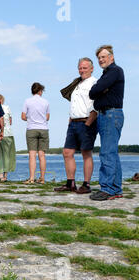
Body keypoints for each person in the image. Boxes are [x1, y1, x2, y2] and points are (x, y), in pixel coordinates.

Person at [54, 58, 98, 194]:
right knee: (67, 152)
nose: (82, 70)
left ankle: (86, 184)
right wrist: (70, 120)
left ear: (91, 68)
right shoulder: (77, 83)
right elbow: (75, 104)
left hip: (86, 122)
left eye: (85, 68)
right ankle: (70, 183)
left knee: (86, 153)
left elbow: (95, 105)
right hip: (73, 122)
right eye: (80, 68)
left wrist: (88, 123)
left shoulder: (94, 83)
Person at [89, 45, 125, 201]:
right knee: (112, 153)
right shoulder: (106, 74)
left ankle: (108, 189)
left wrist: (99, 89)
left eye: (104, 56)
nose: (101, 60)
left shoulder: (115, 71)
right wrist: (98, 89)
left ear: (112, 57)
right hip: (107, 115)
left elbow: (96, 90)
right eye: (99, 58)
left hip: (111, 114)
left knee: (107, 153)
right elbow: (93, 93)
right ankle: (115, 188)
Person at [22, 82, 50, 184]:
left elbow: (23, 116)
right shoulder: (46, 102)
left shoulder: (27, 101)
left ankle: (32, 178)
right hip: (43, 129)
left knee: (32, 155)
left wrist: (30, 118)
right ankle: (42, 178)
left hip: (31, 129)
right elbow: (47, 117)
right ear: (40, 91)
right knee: (42, 155)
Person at [0, 94, 16, 182]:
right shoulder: (7, 108)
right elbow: (10, 122)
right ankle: (5, 176)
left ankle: (0, 175)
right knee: (7, 155)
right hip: (8, 133)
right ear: (2, 100)